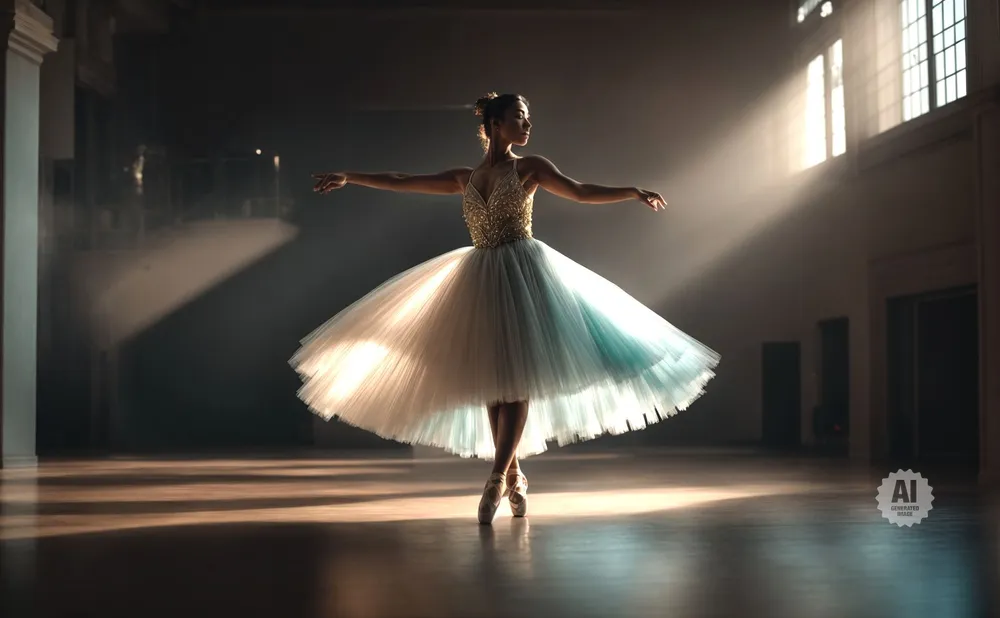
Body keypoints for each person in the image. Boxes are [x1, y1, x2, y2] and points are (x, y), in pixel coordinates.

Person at [296, 92, 720, 525]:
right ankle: (514, 473)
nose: (528, 124)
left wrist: (631, 191)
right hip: (480, 274)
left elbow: (578, 191)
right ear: (496, 124)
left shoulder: (529, 167)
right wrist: (350, 176)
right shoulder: (466, 177)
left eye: (529, 117)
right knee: (494, 378)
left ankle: (497, 476)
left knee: (515, 378)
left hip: (525, 271)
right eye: (520, 117)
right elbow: (403, 178)